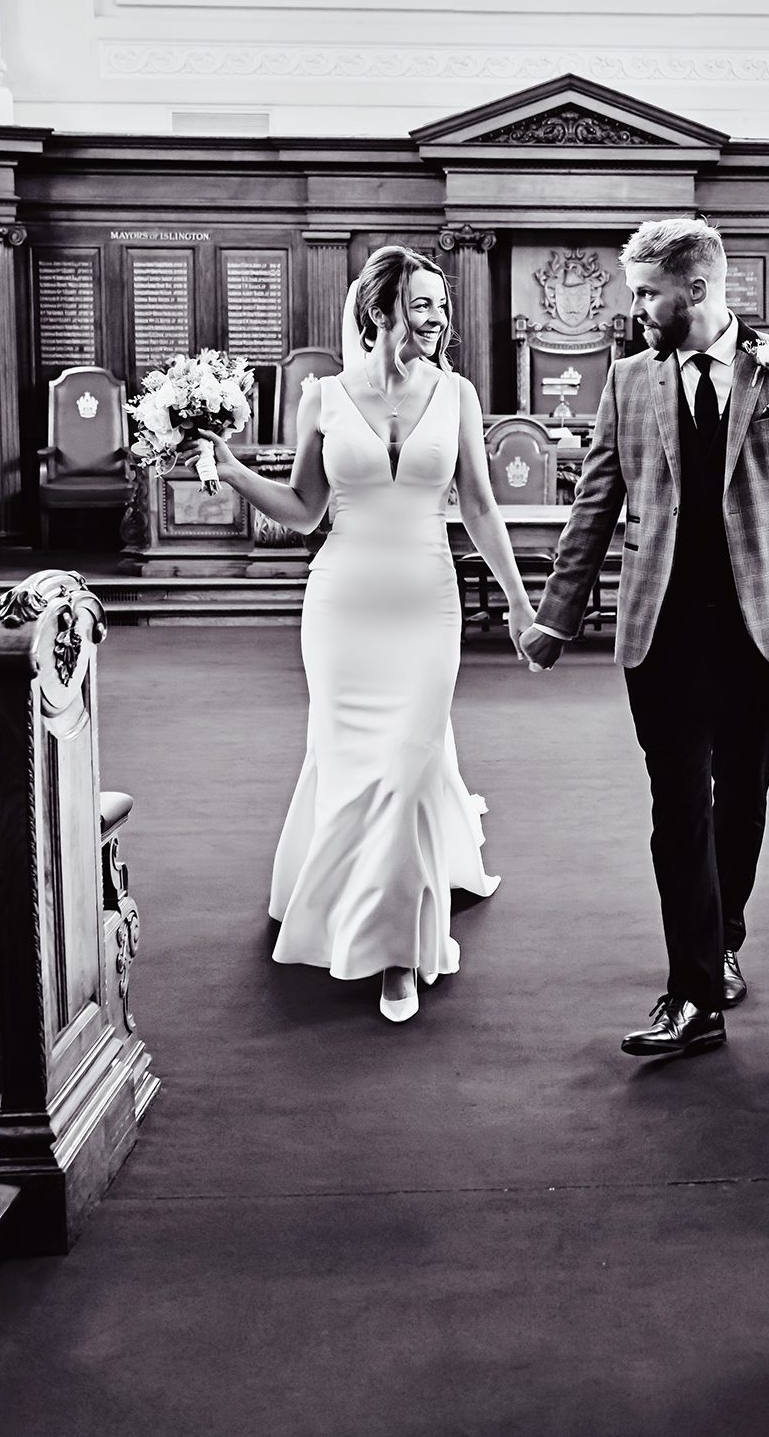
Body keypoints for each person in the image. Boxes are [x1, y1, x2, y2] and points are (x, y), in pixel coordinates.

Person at [519, 217, 769, 1060]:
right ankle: (694, 994)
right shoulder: (629, 380)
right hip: (661, 629)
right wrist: (554, 616)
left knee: (740, 798)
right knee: (678, 807)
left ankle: (725, 938)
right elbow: (595, 502)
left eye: (647, 294)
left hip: (761, 626)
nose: (634, 309)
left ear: (700, 290)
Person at [189, 247, 535, 1022]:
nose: (439, 319)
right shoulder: (323, 398)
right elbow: (306, 511)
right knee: (351, 765)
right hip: (343, 606)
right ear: (379, 312)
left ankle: (397, 953)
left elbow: (478, 506)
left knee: (408, 771)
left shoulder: (457, 395)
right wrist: (236, 470)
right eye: (422, 305)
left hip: (426, 603)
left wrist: (516, 600)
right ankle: (350, 906)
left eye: (442, 306)